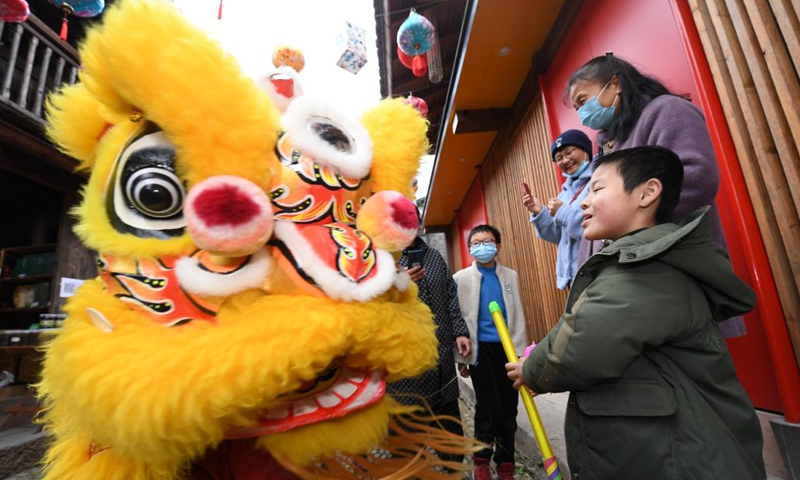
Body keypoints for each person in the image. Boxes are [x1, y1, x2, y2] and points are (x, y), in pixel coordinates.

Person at [506, 146, 765, 480]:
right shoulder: (644, 261)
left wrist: (532, 368)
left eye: (597, 189)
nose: (583, 201)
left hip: (683, 457)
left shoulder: (645, 268)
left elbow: (582, 344)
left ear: (647, 193)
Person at [566, 52, 743, 335]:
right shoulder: (612, 143)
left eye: (583, 101)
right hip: (634, 283)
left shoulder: (667, 111)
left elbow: (696, 177)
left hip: (672, 276)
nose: (582, 113)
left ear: (615, 85)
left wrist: (627, 228)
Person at [387, 234, 472, 466]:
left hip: (441, 360)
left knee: (448, 424)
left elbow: (450, 296)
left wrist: (459, 332)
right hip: (404, 365)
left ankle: (452, 466)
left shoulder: (434, 256)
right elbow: (371, 308)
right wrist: (397, 286)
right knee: (406, 433)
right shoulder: (382, 261)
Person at [453, 225, 527, 480]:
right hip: (479, 351)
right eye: (476, 242)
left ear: (498, 245)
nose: (482, 245)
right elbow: (459, 319)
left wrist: (520, 353)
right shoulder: (461, 278)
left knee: (509, 408)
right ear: (470, 248)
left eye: (487, 241)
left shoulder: (511, 276)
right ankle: (481, 461)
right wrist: (462, 358)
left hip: (508, 350)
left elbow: (517, 315)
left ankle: (506, 464)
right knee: (488, 407)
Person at [522, 129, 593, 290]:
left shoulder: (597, 181)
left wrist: (562, 212)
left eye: (569, 152)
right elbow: (558, 235)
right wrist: (539, 211)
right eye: (559, 158)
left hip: (594, 274)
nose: (565, 160)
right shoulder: (564, 193)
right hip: (572, 279)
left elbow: (598, 228)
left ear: (585, 150)